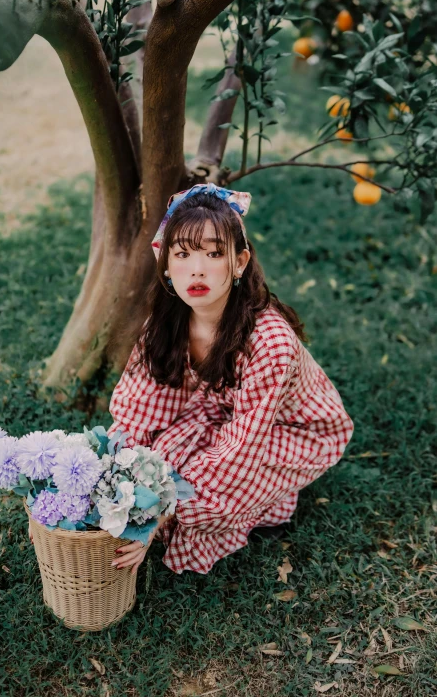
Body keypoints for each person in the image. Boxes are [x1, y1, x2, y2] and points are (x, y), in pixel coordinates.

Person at [107, 183, 354, 575]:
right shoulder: (168, 322)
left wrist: (159, 516)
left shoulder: (269, 342)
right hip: (222, 411)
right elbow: (141, 408)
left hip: (289, 428)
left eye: (214, 253)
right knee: (160, 456)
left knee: (223, 487)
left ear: (240, 262)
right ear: (166, 264)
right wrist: (111, 483)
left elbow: (241, 448)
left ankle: (272, 504)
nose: (198, 269)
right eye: (183, 254)